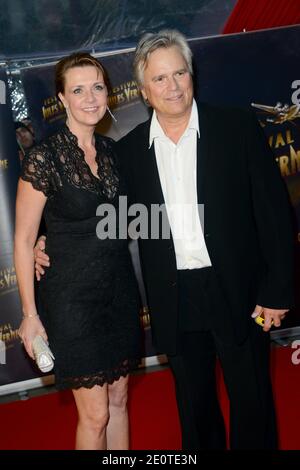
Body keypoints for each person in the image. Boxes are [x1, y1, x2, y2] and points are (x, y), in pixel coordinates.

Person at [34, 31, 294, 450]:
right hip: (176, 298)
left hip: (244, 294)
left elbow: (275, 215)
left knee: (254, 400)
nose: (172, 86)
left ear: (192, 76)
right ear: (143, 90)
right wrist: (43, 241)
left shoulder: (236, 127)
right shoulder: (128, 152)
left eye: (179, 73)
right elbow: (103, 217)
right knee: (195, 407)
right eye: (160, 79)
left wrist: (277, 291)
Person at [15, 52, 141, 450]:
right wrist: (30, 316)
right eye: (78, 90)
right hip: (72, 300)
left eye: (98, 87)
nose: (90, 98)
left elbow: (130, 220)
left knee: (120, 401)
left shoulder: (114, 152)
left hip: (119, 291)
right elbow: (22, 238)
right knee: (96, 414)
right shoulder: (43, 158)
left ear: (109, 93)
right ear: (63, 99)